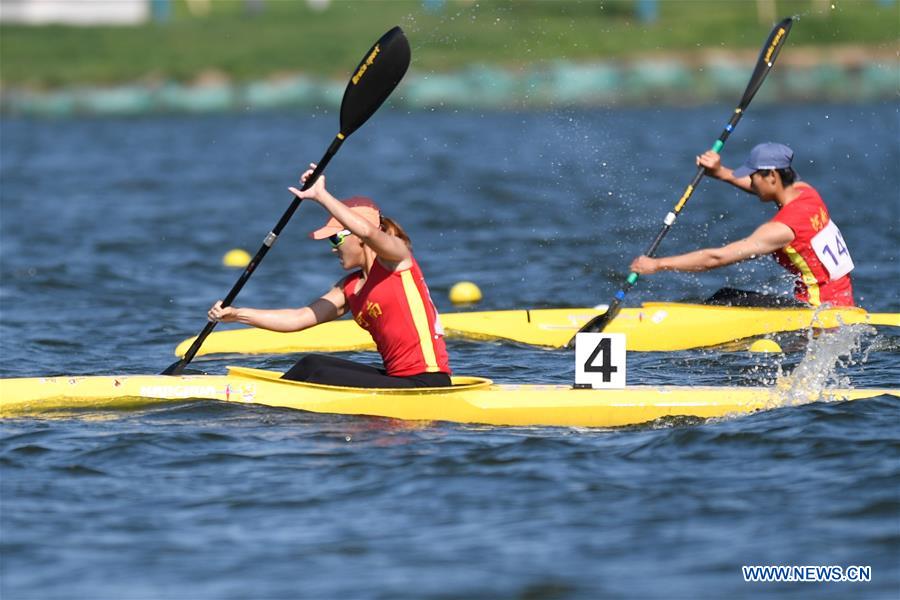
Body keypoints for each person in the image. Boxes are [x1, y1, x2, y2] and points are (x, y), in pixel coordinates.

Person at [208, 164, 452, 388]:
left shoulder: (397, 259)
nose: (333, 247)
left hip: (427, 382)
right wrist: (237, 314)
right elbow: (298, 318)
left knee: (322, 377)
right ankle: (268, 405)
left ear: (357, 237)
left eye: (336, 238)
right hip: (397, 380)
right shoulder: (350, 287)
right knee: (311, 365)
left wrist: (320, 196)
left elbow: (368, 230)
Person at [630, 142, 855, 307]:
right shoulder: (807, 193)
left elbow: (716, 258)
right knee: (727, 296)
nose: (752, 183)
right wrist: (720, 172)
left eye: (753, 176)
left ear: (772, 176)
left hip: (817, 312)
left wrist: (658, 265)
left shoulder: (779, 230)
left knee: (724, 299)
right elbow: (763, 188)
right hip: (841, 301)